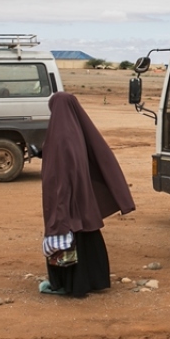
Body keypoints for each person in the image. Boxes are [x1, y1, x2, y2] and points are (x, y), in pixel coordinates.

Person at [38, 92, 135, 297]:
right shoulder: (78, 131)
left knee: (69, 239)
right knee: (88, 238)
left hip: (66, 200)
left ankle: (69, 285)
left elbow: (61, 174)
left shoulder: (60, 135)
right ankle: (93, 281)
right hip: (82, 199)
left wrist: (61, 207)